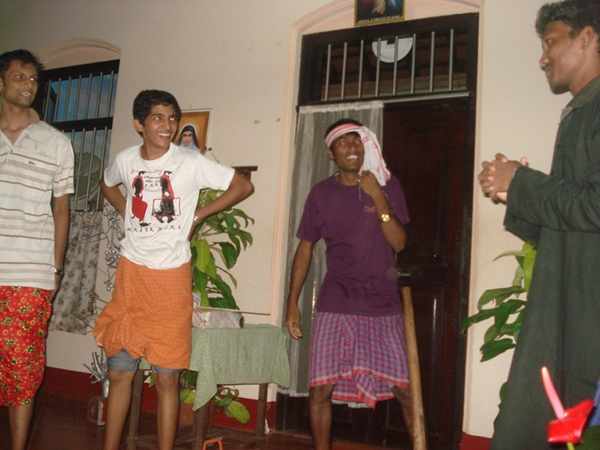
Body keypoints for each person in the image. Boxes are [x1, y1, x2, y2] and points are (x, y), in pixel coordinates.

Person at [94, 89, 253, 450]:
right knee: (120, 373)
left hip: (171, 280)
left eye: (172, 118)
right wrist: (125, 210)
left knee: (168, 379)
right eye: (157, 118)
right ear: (139, 124)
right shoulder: (125, 160)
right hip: (131, 277)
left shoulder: (190, 162)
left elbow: (243, 185)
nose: (167, 125)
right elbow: (106, 184)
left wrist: (198, 216)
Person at [478, 1, 600, 448]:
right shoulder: (579, 112)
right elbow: (570, 230)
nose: (542, 57)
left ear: (588, 37)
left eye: (550, 42)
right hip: (572, 311)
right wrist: (515, 193)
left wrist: (523, 182)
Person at [285, 118, 412, 450]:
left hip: (382, 305)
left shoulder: (387, 185)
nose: (351, 147)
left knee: (405, 389)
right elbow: (305, 248)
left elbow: (399, 243)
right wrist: (292, 304)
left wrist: (378, 197)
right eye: (342, 142)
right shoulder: (321, 194)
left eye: (356, 140)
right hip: (336, 302)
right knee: (320, 389)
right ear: (331, 154)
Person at [0, 49, 74, 450]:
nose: (28, 85)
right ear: (1, 82)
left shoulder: (56, 143)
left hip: (30, 273)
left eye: (33, 79)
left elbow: (62, 210)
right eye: (19, 77)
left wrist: (56, 269)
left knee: (23, 368)